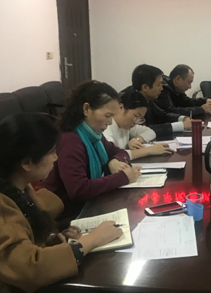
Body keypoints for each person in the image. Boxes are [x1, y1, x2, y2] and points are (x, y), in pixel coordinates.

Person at [0, 113, 122, 293]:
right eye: (51, 152)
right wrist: (91, 240)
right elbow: (29, 269)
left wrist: (51, 239)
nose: (56, 158)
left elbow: (23, 235)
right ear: (27, 162)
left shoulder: (15, 181)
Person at [42, 81, 142, 220]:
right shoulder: (70, 141)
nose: (110, 122)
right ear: (86, 109)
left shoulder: (94, 136)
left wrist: (113, 161)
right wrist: (122, 177)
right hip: (68, 216)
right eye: (107, 116)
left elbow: (120, 152)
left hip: (89, 205)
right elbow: (79, 190)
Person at [122, 64, 192, 139]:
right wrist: (181, 125)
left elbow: (160, 115)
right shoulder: (131, 101)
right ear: (145, 87)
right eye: (158, 85)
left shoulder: (146, 97)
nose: (162, 88)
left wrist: (182, 118)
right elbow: (143, 129)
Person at [103, 90, 174, 160]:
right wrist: (149, 150)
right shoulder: (106, 128)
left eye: (141, 118)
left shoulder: (125, 126)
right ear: (121, 108)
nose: (137, 122)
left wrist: (137, 140)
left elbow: (150, 132)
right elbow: (115, 155)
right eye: (136, 116)